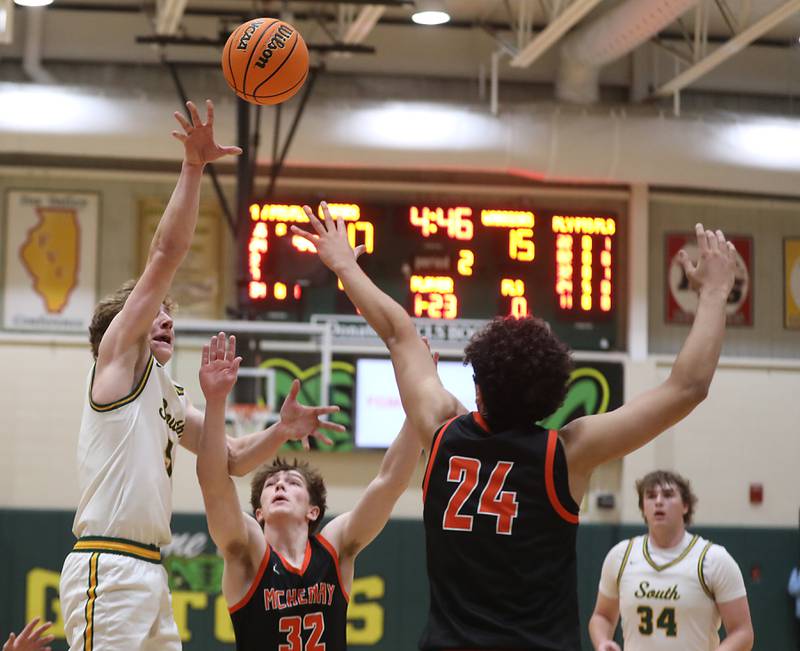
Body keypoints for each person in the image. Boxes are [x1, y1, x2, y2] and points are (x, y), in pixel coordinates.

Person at [292, 204, 737, 650]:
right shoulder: (567, 453)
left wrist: (345, 264)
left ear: (478, 384)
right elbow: (687, 387)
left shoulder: (440, 429)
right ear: (551, 395)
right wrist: (714, 295)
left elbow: (397, 332)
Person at [58, 102, 339, 651]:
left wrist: (279, 432)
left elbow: (230, 457)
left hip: (148, 571)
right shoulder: (115, 361)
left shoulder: (163, 393)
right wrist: (193, 167)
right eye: (153, 310)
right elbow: (166, 251)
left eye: (170, 312)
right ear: (123, 325)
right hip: (106, 566)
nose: (166, 317)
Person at [195, 331, 425, 651]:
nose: (279, 485)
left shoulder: (335, 549)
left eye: (293, 483)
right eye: (272, 485)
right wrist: (216, 402)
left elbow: (390, 483)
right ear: (258, 512)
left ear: (313, 511)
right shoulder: (248, 554)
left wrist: (419, 406)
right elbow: (214, 486)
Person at [589, 470, 753, 650]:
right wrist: (602, 642)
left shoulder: (713, 559)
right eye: (651, 496)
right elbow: (602, 616)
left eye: (668, 495)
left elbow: (742, 632)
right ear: (643, 507)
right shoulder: (621, 556)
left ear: (685, 506)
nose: (658, 501)